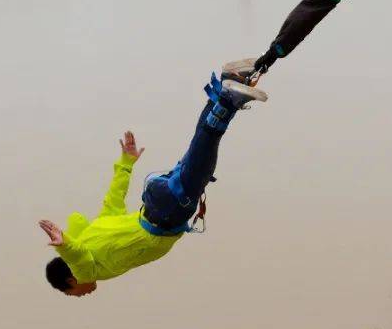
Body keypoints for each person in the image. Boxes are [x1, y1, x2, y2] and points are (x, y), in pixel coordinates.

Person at [39, 61, 266, 297]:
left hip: (166, 214)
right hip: (156, 200)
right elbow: (113, 198)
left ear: (71, 279)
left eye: (70, 292)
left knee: (203, 158)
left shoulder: (87, 270)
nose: (79, 295)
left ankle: (227, 99)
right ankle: (225, 85)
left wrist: (65, 245)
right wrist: (126, 164)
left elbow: (78, 259)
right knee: (199, 157)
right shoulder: (97, 231)